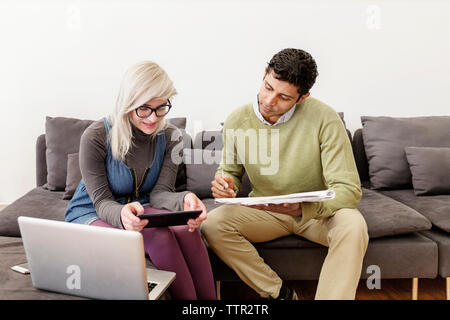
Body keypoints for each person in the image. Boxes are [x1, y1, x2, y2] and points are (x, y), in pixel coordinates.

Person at [201, 48, 369, 300]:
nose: (269, 101)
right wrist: (225, 183)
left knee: (353, 225)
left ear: (302, 98)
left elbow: (348, 189)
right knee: (213, 224)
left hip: (316, 214)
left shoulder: (325, 118)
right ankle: (279, 293)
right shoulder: (237, 119)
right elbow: (230, 171)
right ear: (264, 75)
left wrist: (304, 208)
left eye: (283, 97)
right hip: (267, 211)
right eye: (268, 87)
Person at [65, 61, 216, 300]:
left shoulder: (171, 137)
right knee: (159, 237)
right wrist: (122, 215)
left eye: (161, 108)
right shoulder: (95, 136)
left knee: (188, 230)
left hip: (142, 206)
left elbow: (160, 194)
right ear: (128, 103)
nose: (153, 118)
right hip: (92, 212)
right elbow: (102, 201)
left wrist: (185, 199)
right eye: (144, 108)